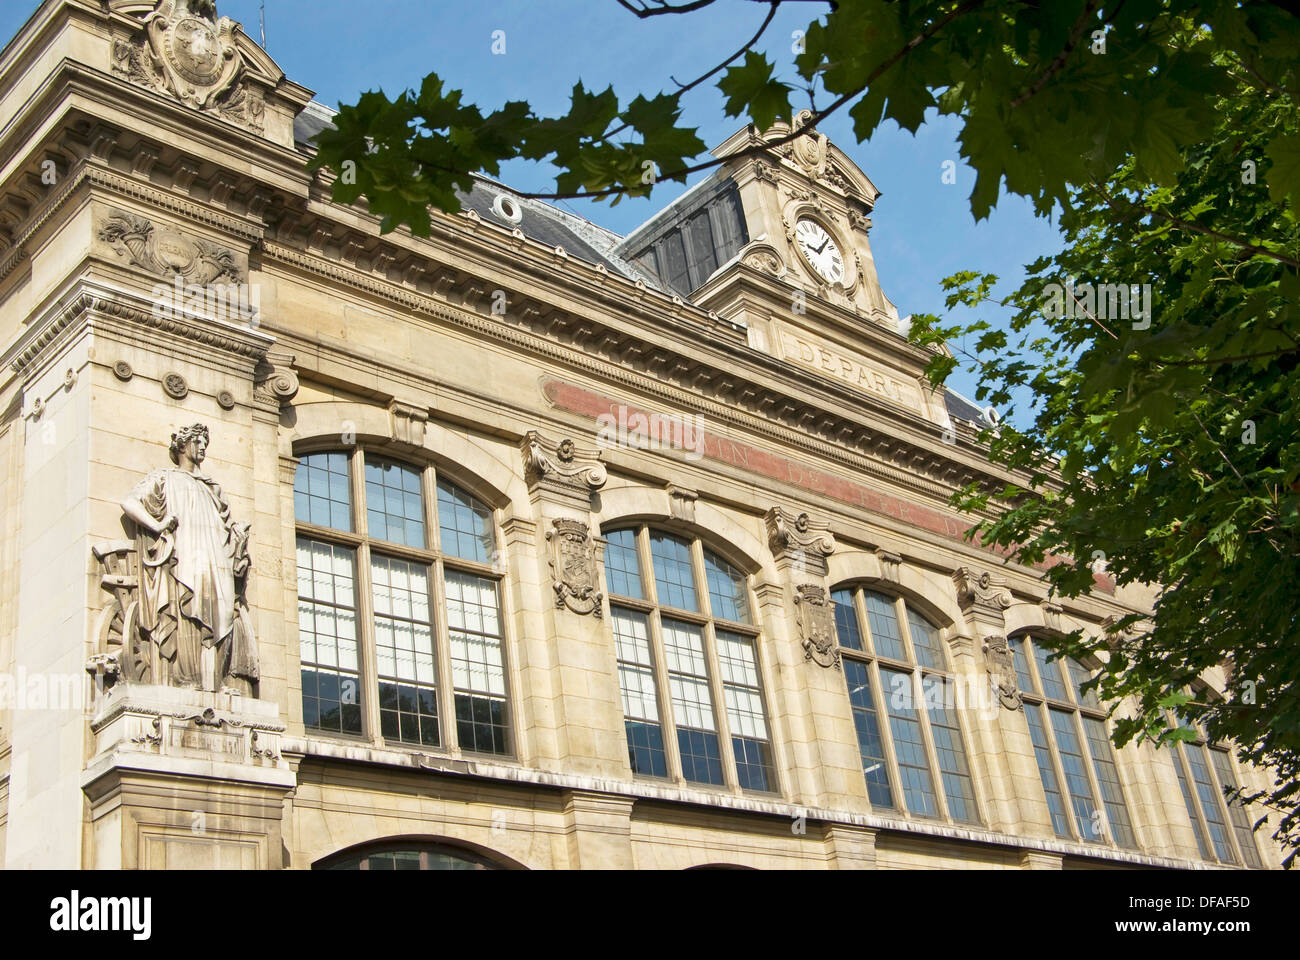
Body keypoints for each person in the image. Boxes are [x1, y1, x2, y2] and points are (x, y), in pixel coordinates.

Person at [120, 423, 258, 693]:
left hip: (216, 558)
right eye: (198, 440)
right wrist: (156, 525)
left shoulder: (212, 489)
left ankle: (215, 681)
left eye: (206, 441)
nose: (203, 446)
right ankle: (188, 679)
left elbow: (225, 529)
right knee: (188, 611)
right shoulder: (165, 478)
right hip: (186, 556)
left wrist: (237, 540)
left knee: (223, 613)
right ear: (182, 446)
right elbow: (129, 502)